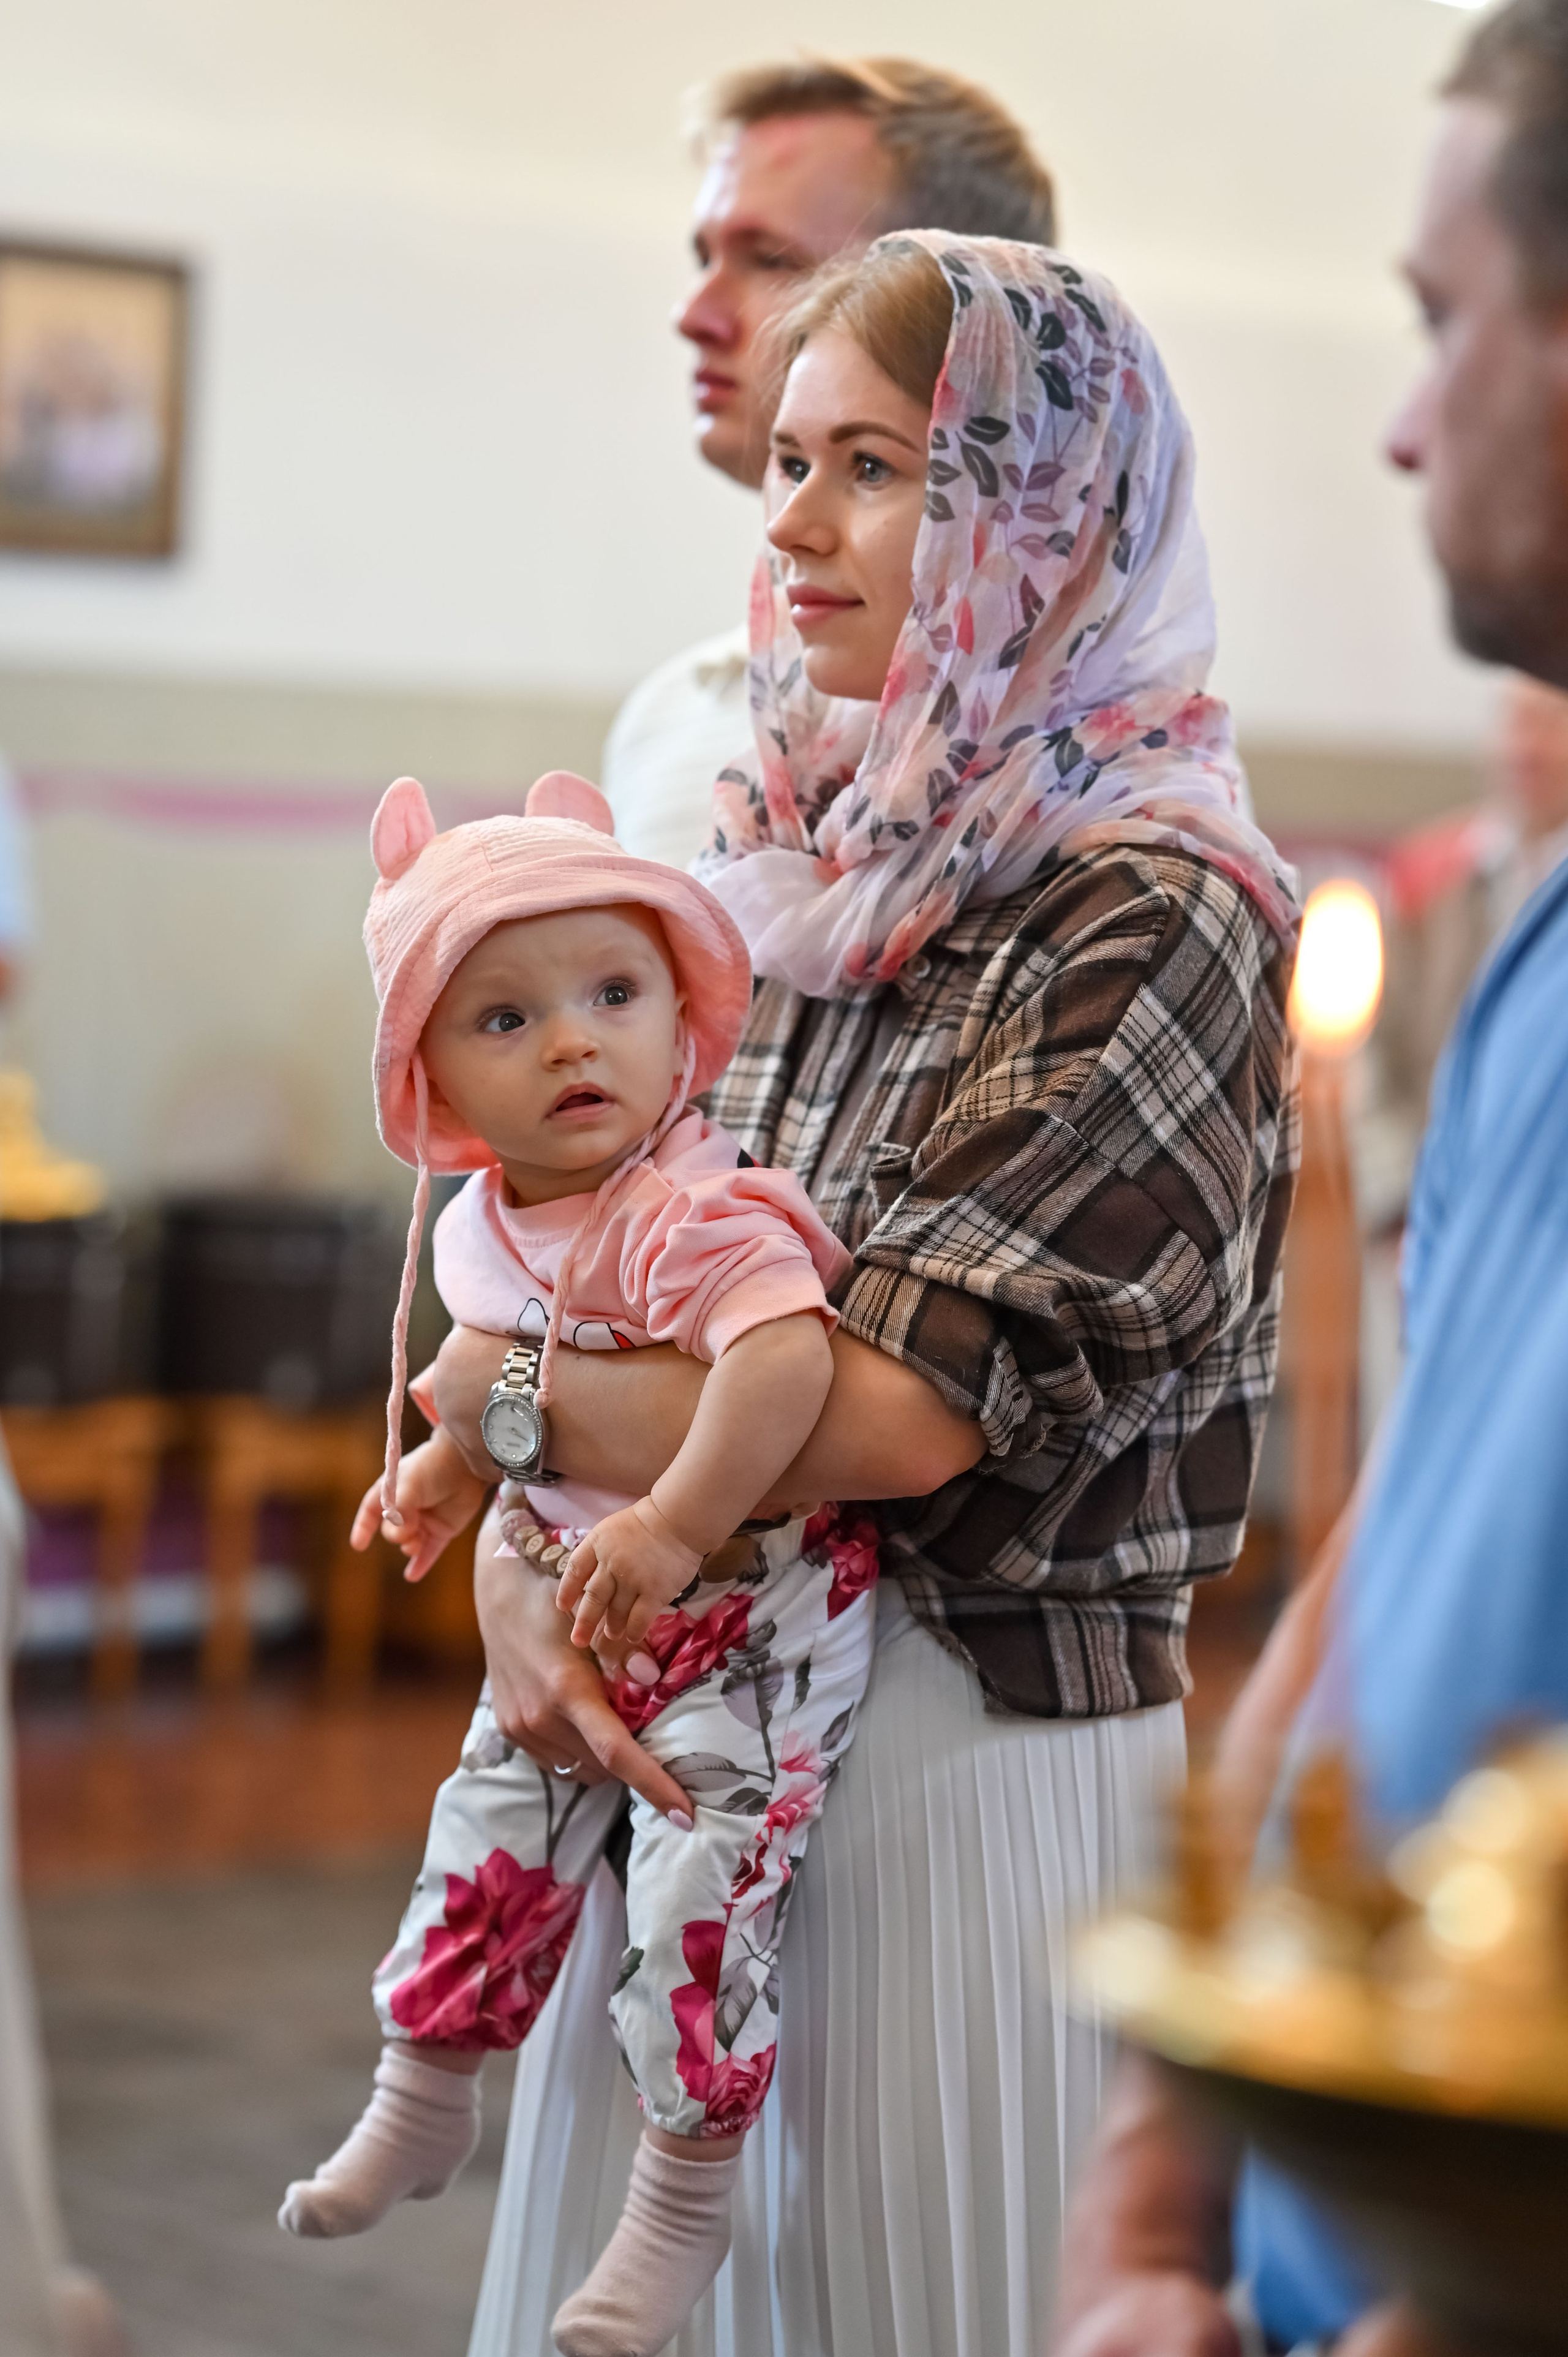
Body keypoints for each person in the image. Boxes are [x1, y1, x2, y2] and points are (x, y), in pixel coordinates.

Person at [437, 229, 1297, 2356]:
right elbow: (574, 1232)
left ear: (1045, 510)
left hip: (965, 1766)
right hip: (690, 1715)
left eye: (881, 468)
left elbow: (891, 1408)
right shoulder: (780, 856)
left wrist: (496, 1396)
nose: (796, 523)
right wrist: (519, 1564)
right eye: (792, 464)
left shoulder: (1156, 903)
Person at [1052, 7, 1568, 2353]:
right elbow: (1385, 1552)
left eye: (1443, 317)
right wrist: (1156, 2196)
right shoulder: (1541, 930)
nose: (1397, 416)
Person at [280, 773, 876, 2355]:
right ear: (438, 1086)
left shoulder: (695, 1205)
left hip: (747, 1617)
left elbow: (786, 1368)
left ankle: (680, 2209)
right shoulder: (490, 1221)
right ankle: (425, 2091)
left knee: (702, 1890)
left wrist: (674, 1522)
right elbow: (507, 1361)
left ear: (677, 1020)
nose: (571, 1042)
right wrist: (445, 1468)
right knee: (487, 1824)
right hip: (573, 1597)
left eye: (615, 994)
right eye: (507, 1019)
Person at [601, 56, 1057, 870]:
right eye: (704, 256)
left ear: (960, 314)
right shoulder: (668, 719)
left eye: (770, 259)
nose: (693, 314)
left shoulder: (1081, 763)